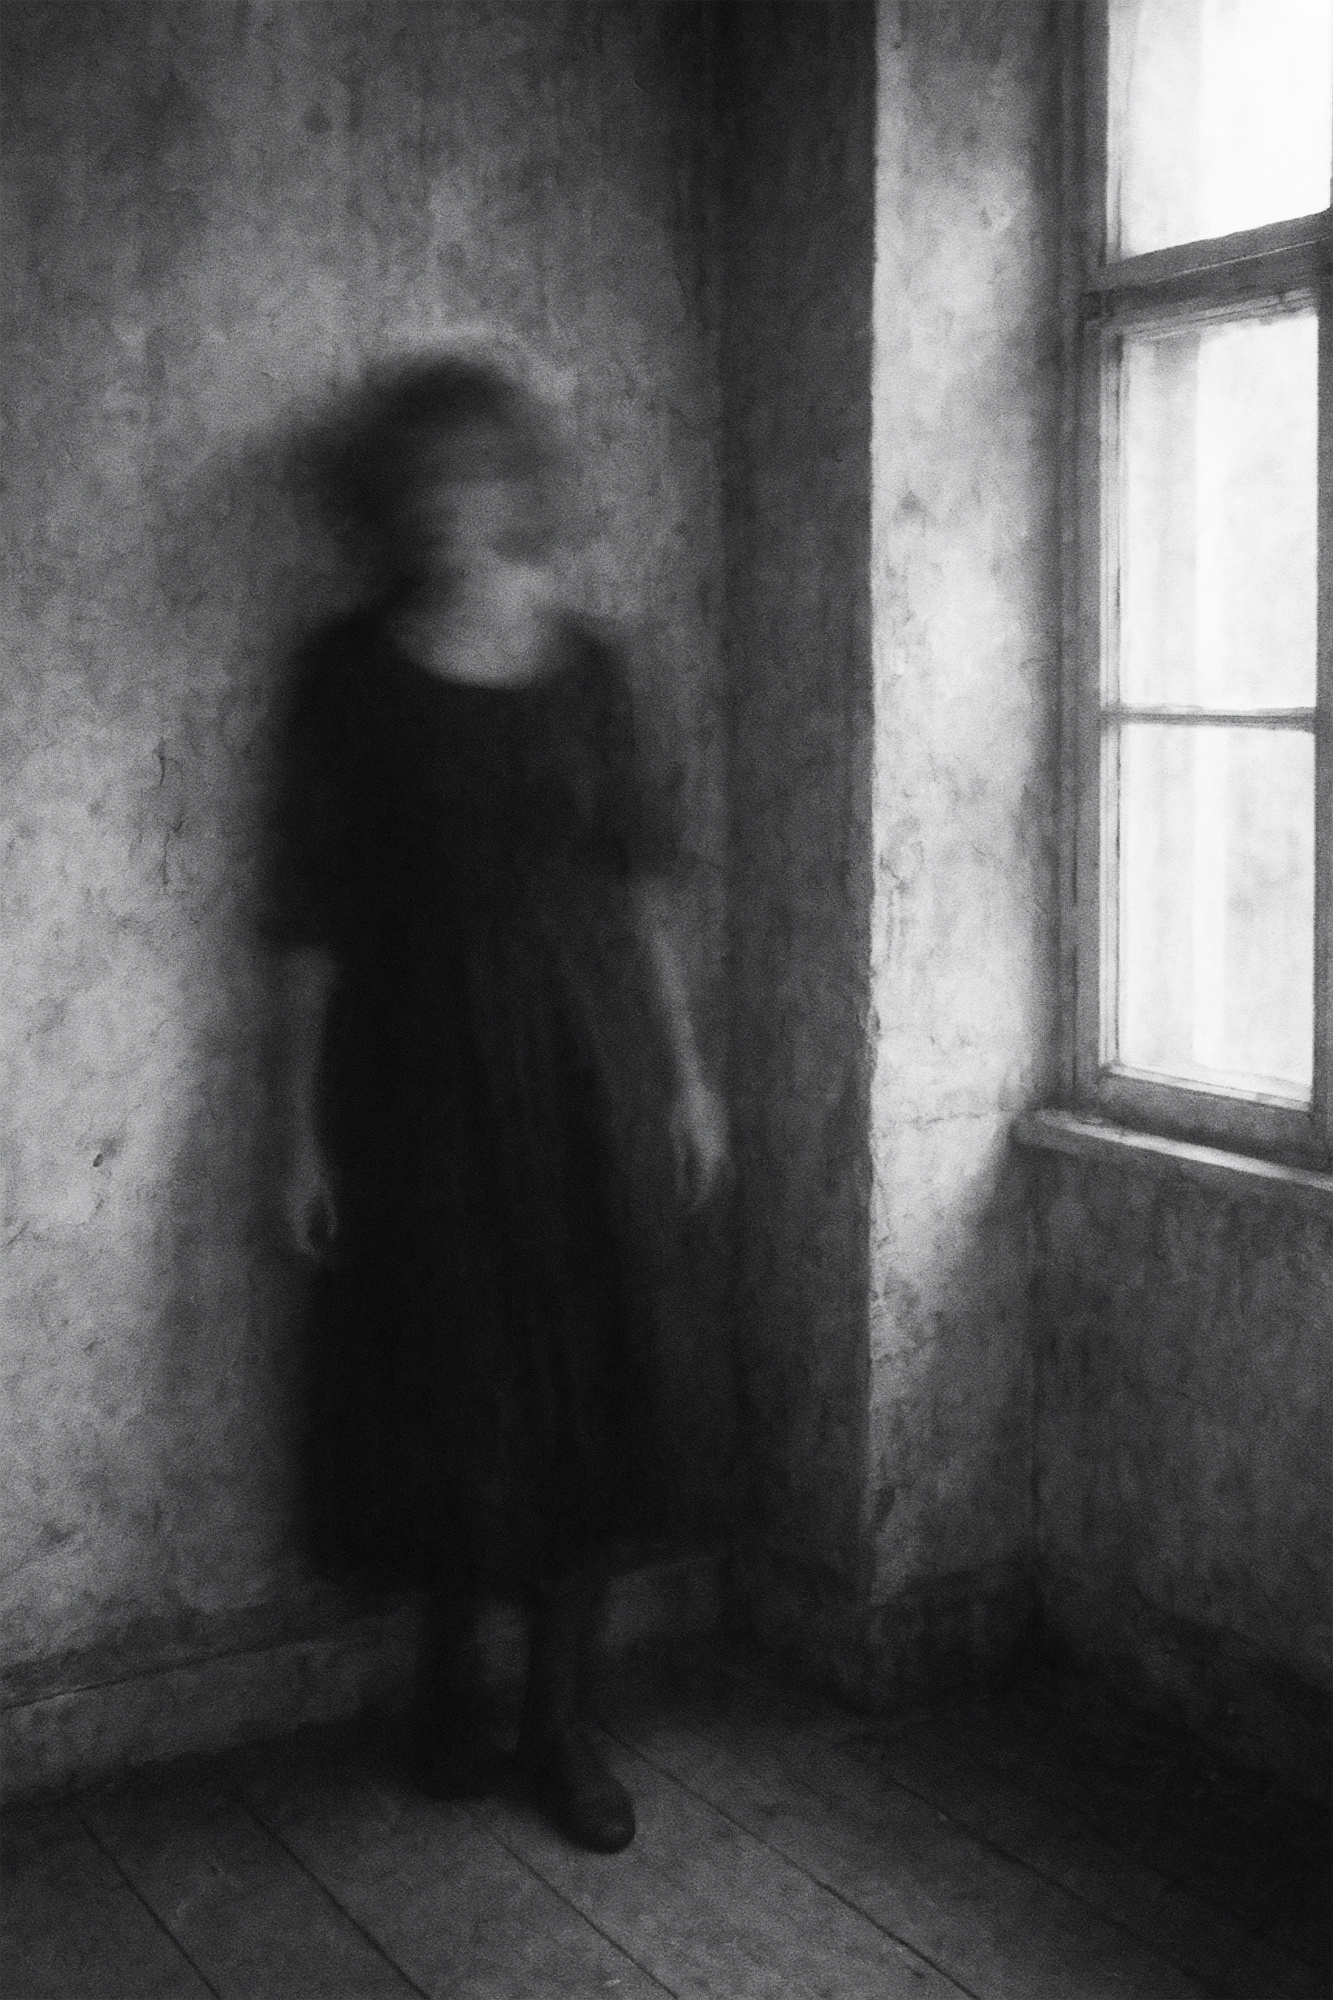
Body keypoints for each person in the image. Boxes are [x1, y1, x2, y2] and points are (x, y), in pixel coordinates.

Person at [267, 354, 726, 1854]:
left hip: (580, 1070)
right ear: (388, 502)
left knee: (583, 1378)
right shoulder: (343, 670)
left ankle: (560, 1719)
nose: (450, 506)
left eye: (475, 476)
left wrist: (686, 1077)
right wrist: (296, 1129)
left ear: (519, 486)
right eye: (423, 483)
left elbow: (639, 885)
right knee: (444, 1378)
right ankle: (448, 1694)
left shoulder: (589, 666)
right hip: (410, 1080)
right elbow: (306, 914)